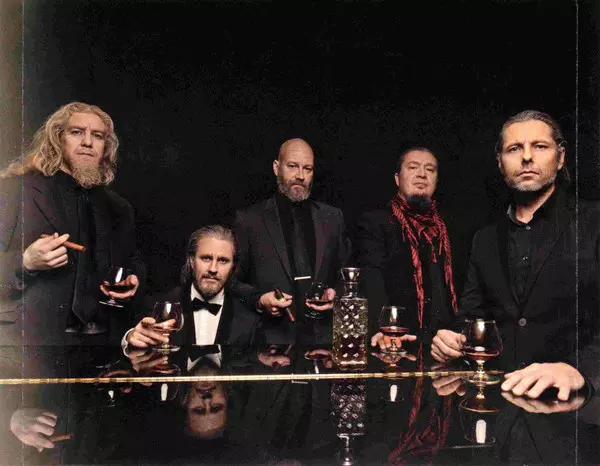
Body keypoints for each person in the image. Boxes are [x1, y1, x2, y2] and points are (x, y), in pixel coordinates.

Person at [431, 110, 600, 401]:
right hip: (503, 405)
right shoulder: (484, 240)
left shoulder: (594, 221)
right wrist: (451, 341)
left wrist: (580, 371)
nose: (527, 157)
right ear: (500, 162)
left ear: (561, 158)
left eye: (540, 146)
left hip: (575, 410)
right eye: (514, 149)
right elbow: (471, 320)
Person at [0, 102, 145, 344]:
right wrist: (25, 262)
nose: (88, 142)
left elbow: (133, 262)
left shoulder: (120, 208)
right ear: (57, 139)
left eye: (97, 136)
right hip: (28, 342)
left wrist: (133, 279)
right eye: (76, 132)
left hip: (102, 342)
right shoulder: (14, 190)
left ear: (106, 147)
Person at [232, 138, 351, 345]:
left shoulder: (333, 218)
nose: (300, 176)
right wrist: (260, 299)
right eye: (292, 166)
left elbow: (347, 275)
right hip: (269, 345)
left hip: (324, 343)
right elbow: (232, 282)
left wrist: (337, 294)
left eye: (308, 169)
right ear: (276, 167)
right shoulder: (249, 220)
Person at [356, 147, 457, 350]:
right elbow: (372, 280)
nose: (422, 174)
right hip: (396, 341)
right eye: (413, 167)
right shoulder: (376, 222)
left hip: (444, 343)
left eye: (430, 169)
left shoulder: (449, 226)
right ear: (397, 178)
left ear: (436, 180)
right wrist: (385, 328)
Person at [125, 225, 259, 349]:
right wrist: (129, 338)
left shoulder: (249, 320)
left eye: (223, 260)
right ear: (192, 261)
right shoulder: (157, 306)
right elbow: (135, 342)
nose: (213, 269)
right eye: (206, 258)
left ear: (233, 267)